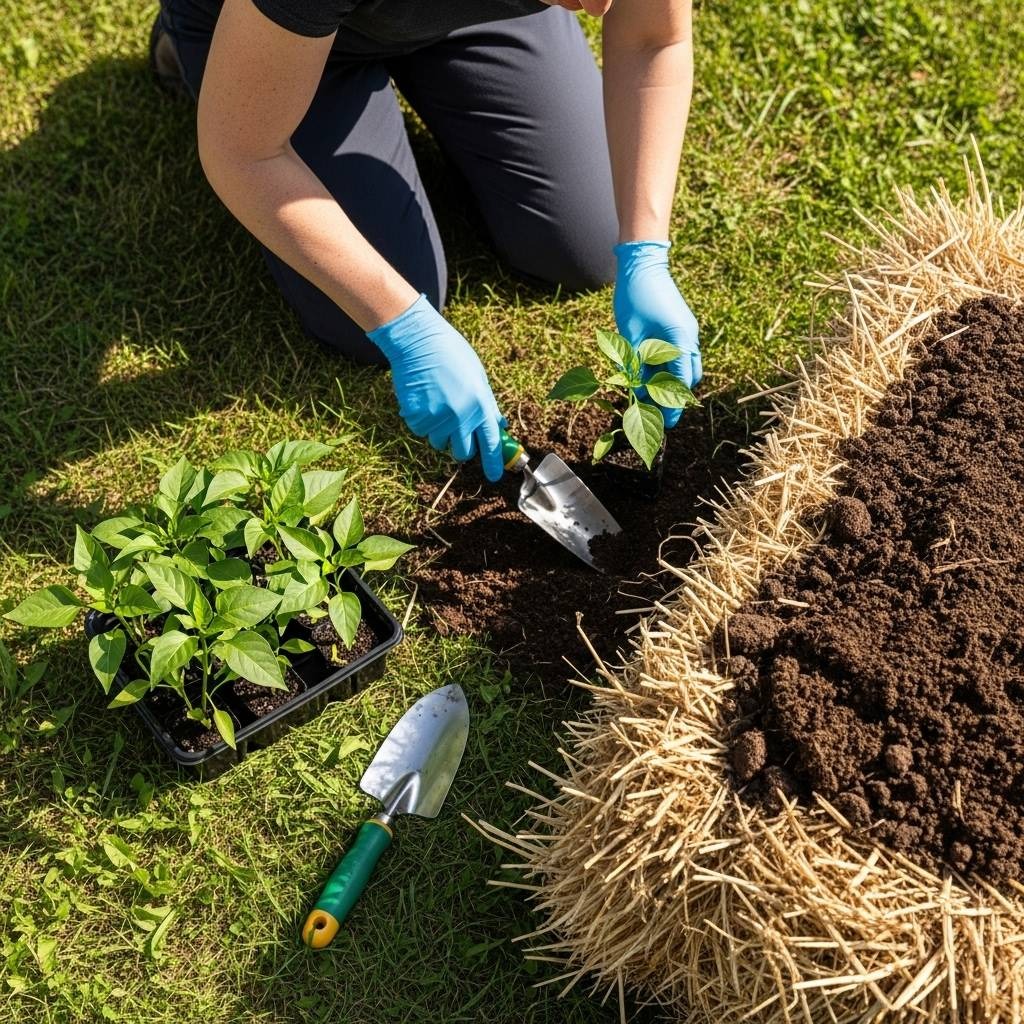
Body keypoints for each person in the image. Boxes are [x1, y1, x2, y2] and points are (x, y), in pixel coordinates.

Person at [150, 0, 702, 481]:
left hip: (467, 17)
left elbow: (653, 39)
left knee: (587, 242)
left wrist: (645, 252)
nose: (603, 6)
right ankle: (204, 39)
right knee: (360, 316)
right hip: (298, 33)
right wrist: (403, 326)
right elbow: (242, 153)